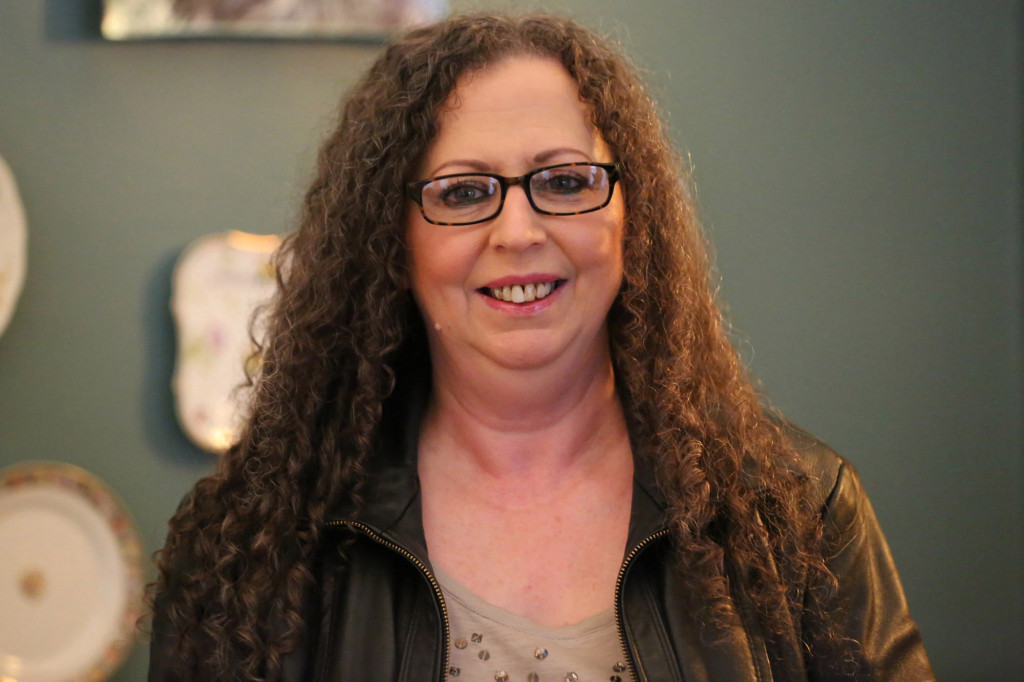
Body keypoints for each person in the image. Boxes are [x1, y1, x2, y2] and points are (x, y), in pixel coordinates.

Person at [148, 12, 934, 682]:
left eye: (564, 182)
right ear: (392, 241)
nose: (518, 231)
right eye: (463, 192)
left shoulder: (797, 510)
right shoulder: (249, 543)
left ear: (631, 216)